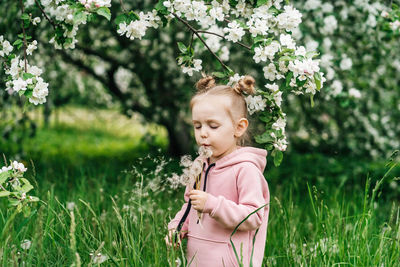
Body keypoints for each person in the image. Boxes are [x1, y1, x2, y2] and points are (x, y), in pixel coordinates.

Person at [166, 75, 270, 267]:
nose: (203, 132)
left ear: (238, 128)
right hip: (196, 259)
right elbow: (190, 203)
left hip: (230, 260)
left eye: (213, 126)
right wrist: (178, 227)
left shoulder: (246, 169)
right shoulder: (200, 165)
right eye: (197, 126)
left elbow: (253, 216)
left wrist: (213, 205)